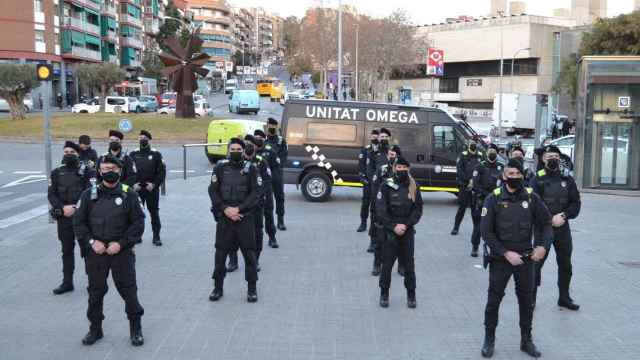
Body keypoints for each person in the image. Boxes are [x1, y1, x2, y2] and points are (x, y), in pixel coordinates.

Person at [479, 158, 553, 358]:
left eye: (517, 174)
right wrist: (505, 253)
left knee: (526, 301)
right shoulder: (493, 199)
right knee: (493, 301)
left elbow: (546, 224)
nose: (513, 177)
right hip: (501, 260)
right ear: (504, 176)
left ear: (523, 175)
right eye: (510, 174)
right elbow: (486, 232)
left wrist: (543, 247)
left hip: (525, 260)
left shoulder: (531, 198)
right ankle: (489, 339)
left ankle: (526, 340)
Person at [73, 155, 146, 347]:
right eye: (104, 168)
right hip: (96, 253)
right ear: (99, 171)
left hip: (121, 252)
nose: (108, 172)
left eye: (112, 168)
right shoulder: (88, 195)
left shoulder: (129, 194)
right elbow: (78, 223)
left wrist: (121, 244)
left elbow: (138, 224)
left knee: (129, 291)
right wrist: (91, 242)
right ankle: (95, 329)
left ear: (120, 171)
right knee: (95, 293)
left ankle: (135, 329)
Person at [208, 138, 261, 303]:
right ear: (228, 150)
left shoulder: (251, 169)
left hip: (244, 219)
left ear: (243, 151)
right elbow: (213, 191)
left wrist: (238, 209)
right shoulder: (220, 168)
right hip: (225, 220)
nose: (236, 151)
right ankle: (218, 288)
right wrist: (225, 209)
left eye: (239, 149)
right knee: (220, 256)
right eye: (233, 149)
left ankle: (252, 290)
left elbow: (256, 193)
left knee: (250, 256)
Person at [530, 145, 581, 311]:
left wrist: (564, 216)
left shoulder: (567, 179)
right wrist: (549, 219)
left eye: (556, 157)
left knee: (565, 264)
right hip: (543, 229)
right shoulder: (537, 179)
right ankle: (531, 299)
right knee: (536, 263)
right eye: (549, 156)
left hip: (562, 229)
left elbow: (576, 204)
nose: (553, 159)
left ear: (560, 160)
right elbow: (532, 204)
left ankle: (564, 298)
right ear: (543, 159)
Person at [48, 141, 96, 295]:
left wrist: (75, 208)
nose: (68, 154)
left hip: (82, 219)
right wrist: (62, 208)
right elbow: (52, 194)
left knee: (87, 251)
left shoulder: (88, 172)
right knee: (66, 251)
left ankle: (93, 282)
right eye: (66, 152)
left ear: (78, 154)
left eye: (72, 152)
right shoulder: (56, 172)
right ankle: (67, 282)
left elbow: (92, 194)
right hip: (64, 218)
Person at [376, 157, 423, 309]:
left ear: (408, 169)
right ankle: (384, 294)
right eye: (399, 167)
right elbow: (381, 210)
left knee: (409, 265)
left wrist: (406, 225)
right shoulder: (386, 185)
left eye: (404, 167)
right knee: (387, 265)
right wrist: (393, 226)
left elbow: (418, 210)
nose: (401, 169)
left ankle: (411, 295)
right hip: (390, 231)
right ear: (395, 168)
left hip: (407, 231)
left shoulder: (414, 186)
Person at [226, 135, 272, 273]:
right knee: (231, 234)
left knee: (257, 233)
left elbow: (266, 182)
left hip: (255, 206)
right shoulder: (230, 163)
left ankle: (255, 260)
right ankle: (233, 261)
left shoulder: (261, 162)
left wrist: (257, 198)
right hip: (237, 206)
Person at [129, 130, 166, 246]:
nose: (142, 140)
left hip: (151, 189)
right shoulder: (133, 154)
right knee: (137, 215)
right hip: (137, 189)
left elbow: (161, 172)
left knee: (154, 213)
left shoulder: (156, 154)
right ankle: (137, 236)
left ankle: (156, 237)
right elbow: (129, 172)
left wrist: (154, 184)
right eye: (140, 138)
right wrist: (133, 184)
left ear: (149, 140)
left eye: (144, 138)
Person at [370, 145, 400, 276]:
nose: (391, 157)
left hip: (398, 213)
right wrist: (377, 208)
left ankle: (401, 266)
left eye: (393, 155)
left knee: (400, 242)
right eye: (390, 154)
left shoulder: (402, 171)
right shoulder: (381, 170)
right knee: (380, 241)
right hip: (383, 211)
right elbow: (375, 189)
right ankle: (377, 264)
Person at [470, 145, 502, 257]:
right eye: (490, 151)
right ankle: (475, 247)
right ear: (487, 153)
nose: (492, 153)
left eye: (494, 151)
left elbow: (504, 183)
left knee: (496, 226)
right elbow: (475, 183)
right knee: (478, 226)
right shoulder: (480, 167)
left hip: (497, 200)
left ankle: (496, 249)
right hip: (482, 199)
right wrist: (486, 194)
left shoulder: (501, 167)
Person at [367, 127, 392, 253]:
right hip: (377, 189)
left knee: (389, 215)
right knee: (375, 216)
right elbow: (369, 169)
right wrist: (374, 181)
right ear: (379, 138)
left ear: (389, 139)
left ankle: (389, 241)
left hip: (390, 190)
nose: (384, 139)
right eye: (382, 137)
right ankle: (373, 241)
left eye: (386, 137)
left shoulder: (393, 152)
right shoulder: (373, 152)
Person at [452, 140, 483, 235]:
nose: (473, 145)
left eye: (474, 143)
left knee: (475, 210)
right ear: (469, 145)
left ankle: (477, 229)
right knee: (462, 208)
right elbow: (460, 170)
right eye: (471, 143)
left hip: (476, 187)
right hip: (465, 186)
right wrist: (468, 180)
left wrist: (474, 181)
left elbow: (483, 170)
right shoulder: (463, 155)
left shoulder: (480, 155)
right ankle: (456, 228)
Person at [254, 129, 279, 248]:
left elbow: (275, 169)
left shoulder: (270, 151)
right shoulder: (248, 153)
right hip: (252, 193)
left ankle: (272, 237)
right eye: (255, 137)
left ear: (264, 139)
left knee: (268, 214)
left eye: (260, 137)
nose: (257, 139)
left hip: (266, 190)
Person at [265, 118, 288, 231]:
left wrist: (278, 164)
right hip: (265, 173)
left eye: (273, 127)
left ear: (276, 127)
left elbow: (284, 156)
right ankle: (268, 222)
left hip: (276, 172)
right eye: (270, 126)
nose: (271, 128)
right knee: (266, 199)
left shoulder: (281, 141)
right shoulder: (262, 139)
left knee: (279, 197)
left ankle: (280, 221)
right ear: (267, 126)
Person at [357, 129, 379, 232]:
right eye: (373, 136)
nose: (374, 138)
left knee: (377, 205)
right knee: (365, 203)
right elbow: (361, 165)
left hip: (378, 183)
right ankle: (363, 223)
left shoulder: (382, 150)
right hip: (368, 182)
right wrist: (362, 177)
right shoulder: (365, 150)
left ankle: (374, 225)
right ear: (370, 137)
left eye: (376, 136)